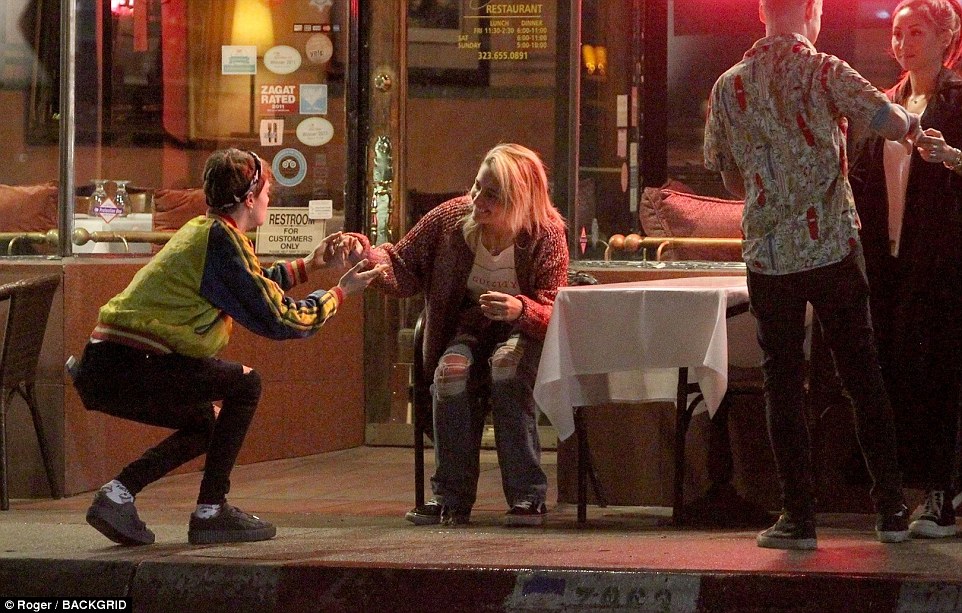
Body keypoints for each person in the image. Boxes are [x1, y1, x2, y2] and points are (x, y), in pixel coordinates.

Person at [72, 148, 385, 546]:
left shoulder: (207, 231)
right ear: (250, 198)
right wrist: (341, 292)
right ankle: (211, 512)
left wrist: (309, 265)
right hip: (132, 361)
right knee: (245, 384)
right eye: (267, 191)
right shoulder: (222, 240)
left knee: (207, 422)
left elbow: (248, 287)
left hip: (111, 363)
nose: (270, 199)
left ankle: (118, 495)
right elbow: (282, 319)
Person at [703, 0, 924, 549]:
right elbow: (889, 121)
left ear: (761, 12)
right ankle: (891, 510)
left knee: (782, 382)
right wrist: (913, 124)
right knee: (862, 375)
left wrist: (769, 186)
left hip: (768, 256)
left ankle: (797, 518)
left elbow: (730, 178)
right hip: (831, 247)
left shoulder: (728, 86)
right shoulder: (825, 71)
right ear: (811, 11)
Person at [346, 143, 568, 527]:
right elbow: (402, 265)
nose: (477, 200)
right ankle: (451, 498)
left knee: (508, 370)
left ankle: (527, 497)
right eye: (477, 186)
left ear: (519, 198)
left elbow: (555, 310)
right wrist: (365, 257)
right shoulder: (451, 219)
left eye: (492, 195)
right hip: (469, 328)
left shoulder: (546, 233)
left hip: (522, 331)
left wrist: (521, 309)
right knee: (450, 376)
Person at [849, 0, 962, 539]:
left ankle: (941, 493)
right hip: (890, 261)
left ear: (946, 38)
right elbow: (862, 181)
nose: (903, 43)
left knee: (940, 373)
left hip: (944, 259)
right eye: (897, 32)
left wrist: (953, 157)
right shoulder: (886, 105)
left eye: (916, 32)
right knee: (898, 371)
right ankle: (916, 490)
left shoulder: (958, 100)